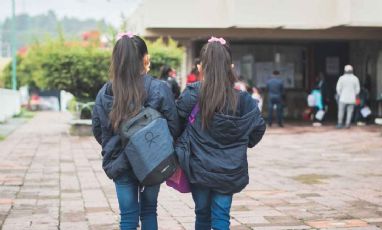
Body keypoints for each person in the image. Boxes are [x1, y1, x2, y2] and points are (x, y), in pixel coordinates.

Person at [175, 37, 266, 230]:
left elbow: (175, 124)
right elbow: (258, 128)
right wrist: (241, 141)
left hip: (197, 167)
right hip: (230, 169)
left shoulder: (192, 94)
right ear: (230, 66)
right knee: (221, 216)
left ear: (201, 67)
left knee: (202, 214)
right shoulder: (243, 100)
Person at [91, 33, 180, 230]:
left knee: (128, 217)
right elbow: (174, 126)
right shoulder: (158, 88)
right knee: (149, 210)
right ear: (145, 58)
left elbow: (98, 129)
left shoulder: (105, 92)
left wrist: (118, 147)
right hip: (153, 161)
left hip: (119, 162)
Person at [336, 65, 360, 129]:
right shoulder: (355, 78)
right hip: (352, 98)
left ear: (345, 71)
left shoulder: (341, 78)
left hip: (342, 98)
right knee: (350, 111)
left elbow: (338, 88)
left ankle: (340, 123)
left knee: (341, 111)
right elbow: (357, 90)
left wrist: (340, 94)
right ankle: (347, 124)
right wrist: (355, 95)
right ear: (352, 71)